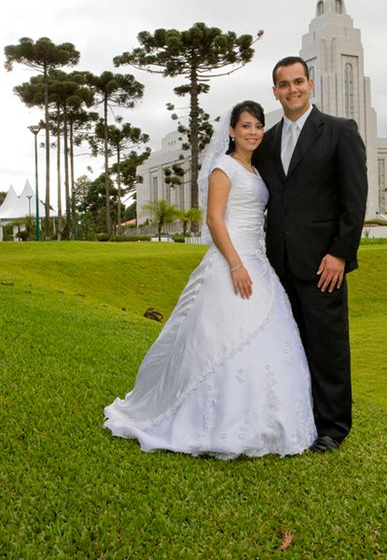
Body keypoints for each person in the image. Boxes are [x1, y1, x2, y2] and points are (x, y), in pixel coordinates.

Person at [104, 100, 316, 458]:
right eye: (245, 125)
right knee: (221, 337)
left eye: (258, 126)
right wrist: (235, 264)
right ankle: (205, 420)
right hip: (231, 262)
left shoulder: (256, 171)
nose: (253, 132)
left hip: (259, 262)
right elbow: (216, 220)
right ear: (232, 131)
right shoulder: (223, 167)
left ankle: (269, 422)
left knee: (268, 337)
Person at [253, 57, 368, 452]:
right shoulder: (265, 142)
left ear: (311, 84)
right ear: (275, 91)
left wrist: (340, 253)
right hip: (278, 264)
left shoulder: (339, 132)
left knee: (327, 346)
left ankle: (333, 428)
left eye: (298, 81)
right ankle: (298, 419)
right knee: (289, 344)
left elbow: (354, 201)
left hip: (323, 264)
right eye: (283, 84)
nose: (292, 90)